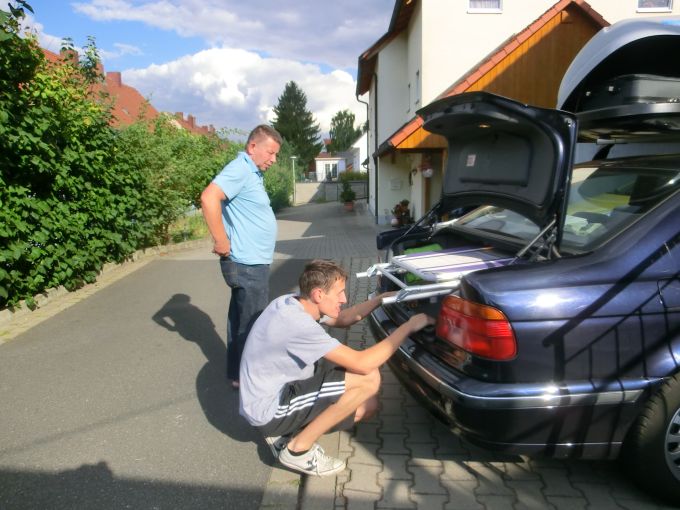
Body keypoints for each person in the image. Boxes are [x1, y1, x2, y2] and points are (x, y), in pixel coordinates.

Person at [239, 259, 435, 476]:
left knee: (366, 406)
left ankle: (290, 433)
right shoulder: (297, 324)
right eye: (339, 293)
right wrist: (409, 326)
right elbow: (363, 363)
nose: (344, 299)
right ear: (318, 295)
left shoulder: (293, 301)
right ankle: (296, 450)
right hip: (269, 409)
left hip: (278, 390)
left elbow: (342, 318)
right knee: (369, 378)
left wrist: (379, 300)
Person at [201, 125, 283, 389]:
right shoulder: (240, 168)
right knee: (253, 323)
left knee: (240, 320)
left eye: (276, 155)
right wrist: (221, 240)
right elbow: (209, 197)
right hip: (247, 262)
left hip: (251, 261)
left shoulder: (252, 172)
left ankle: (237, 375)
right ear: (252, 147)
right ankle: (252, 380)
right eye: (270, 153)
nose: (273, 159)